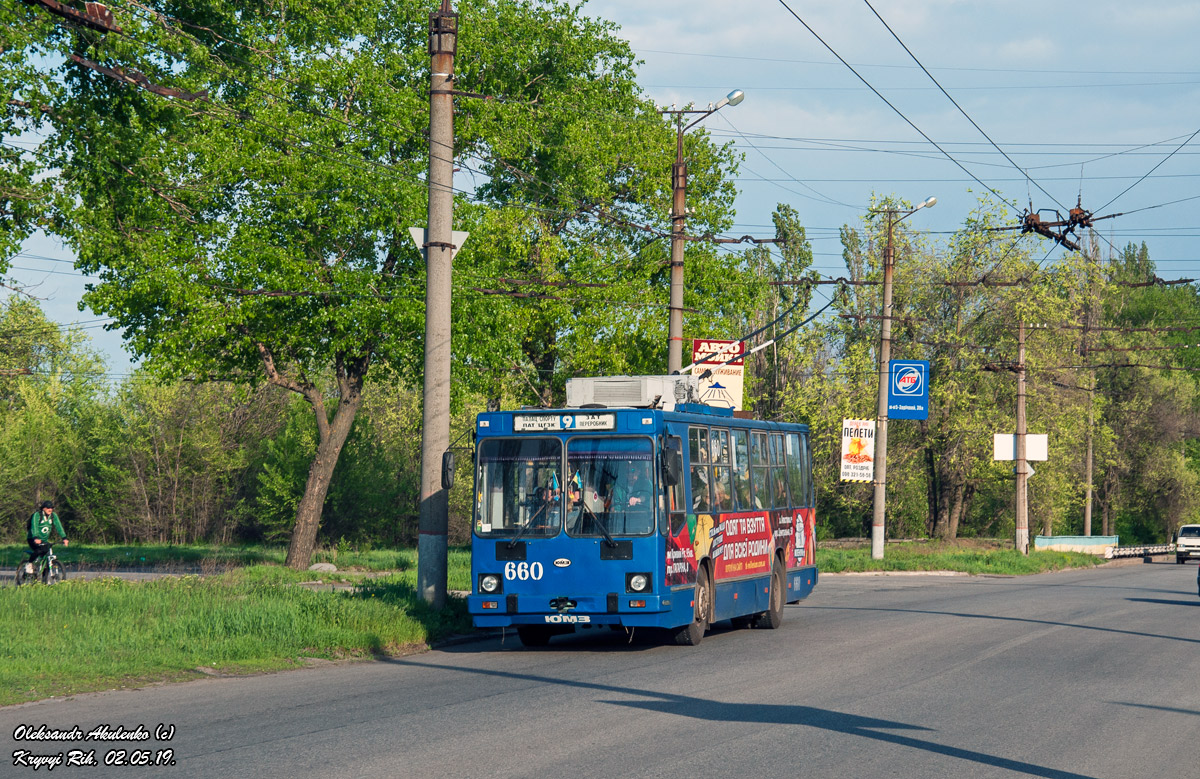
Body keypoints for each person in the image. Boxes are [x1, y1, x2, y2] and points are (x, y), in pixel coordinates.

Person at [26, 500, 68, 574]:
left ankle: (44, 580)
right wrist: (35, 537)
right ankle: (29, 563)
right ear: (43, 508)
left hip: (44, 540)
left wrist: (64, 538)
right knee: (39, 550)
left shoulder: (53, 516)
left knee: (46, 558)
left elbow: (59, 527)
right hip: (33, 538)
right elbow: (34, 526)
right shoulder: (37, 515)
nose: (50, 509)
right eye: (48, 508)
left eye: (51, 508)